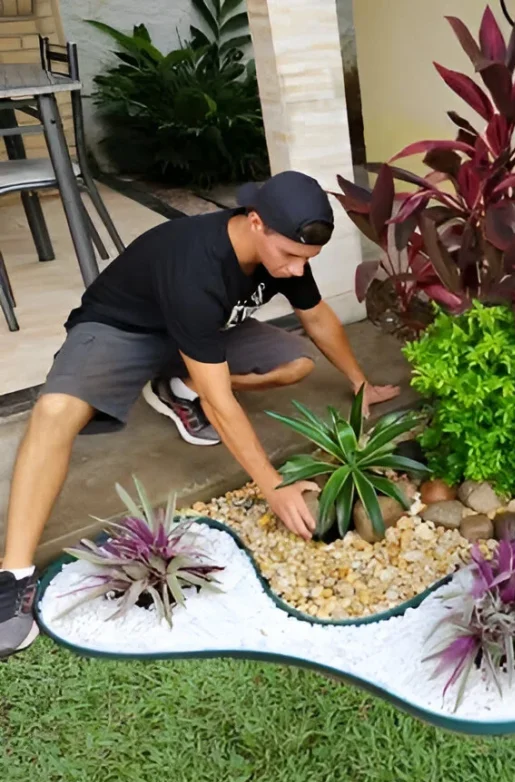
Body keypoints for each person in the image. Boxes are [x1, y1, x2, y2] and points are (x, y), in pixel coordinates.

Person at [0, 170, 399, 659]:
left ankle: (178, 384)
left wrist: (360, 383)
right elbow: (221, 404)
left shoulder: (283, 252)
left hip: (202, 334)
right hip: (123, 329)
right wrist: (273, 486)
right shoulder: (197, 265)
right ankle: (13, 574)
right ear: (255, 223)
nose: (297, 271)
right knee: (54, 410)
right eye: (291, 257)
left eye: (306, 261)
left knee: (297, 364)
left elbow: (316, 317)